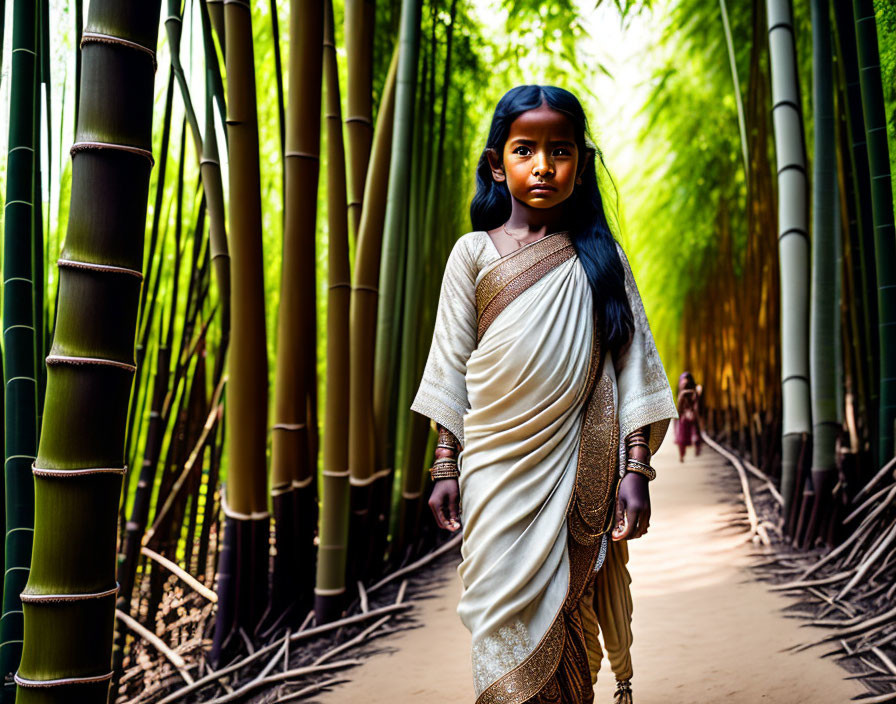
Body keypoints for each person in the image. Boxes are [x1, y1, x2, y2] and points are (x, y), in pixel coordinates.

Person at [410, 85, 677, 704]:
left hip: (581, 471)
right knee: (501, 622)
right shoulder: (471, 255)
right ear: (496, 163)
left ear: (580, 166)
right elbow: (449, 368)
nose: (543, 166)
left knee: (569, 621)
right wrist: (445, 464)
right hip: (495, 475)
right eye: (525, 150)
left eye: (560, 151)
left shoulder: (601, 258)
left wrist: (636, 469)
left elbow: (634, 367)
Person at [674, 372, 702, 462]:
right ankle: (690, 451)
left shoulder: (683, 394)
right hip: (690, 416)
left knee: (683, 436)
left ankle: (683, 455)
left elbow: (679, 407)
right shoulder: (693, 392)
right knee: (692, 433)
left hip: (685, 416)